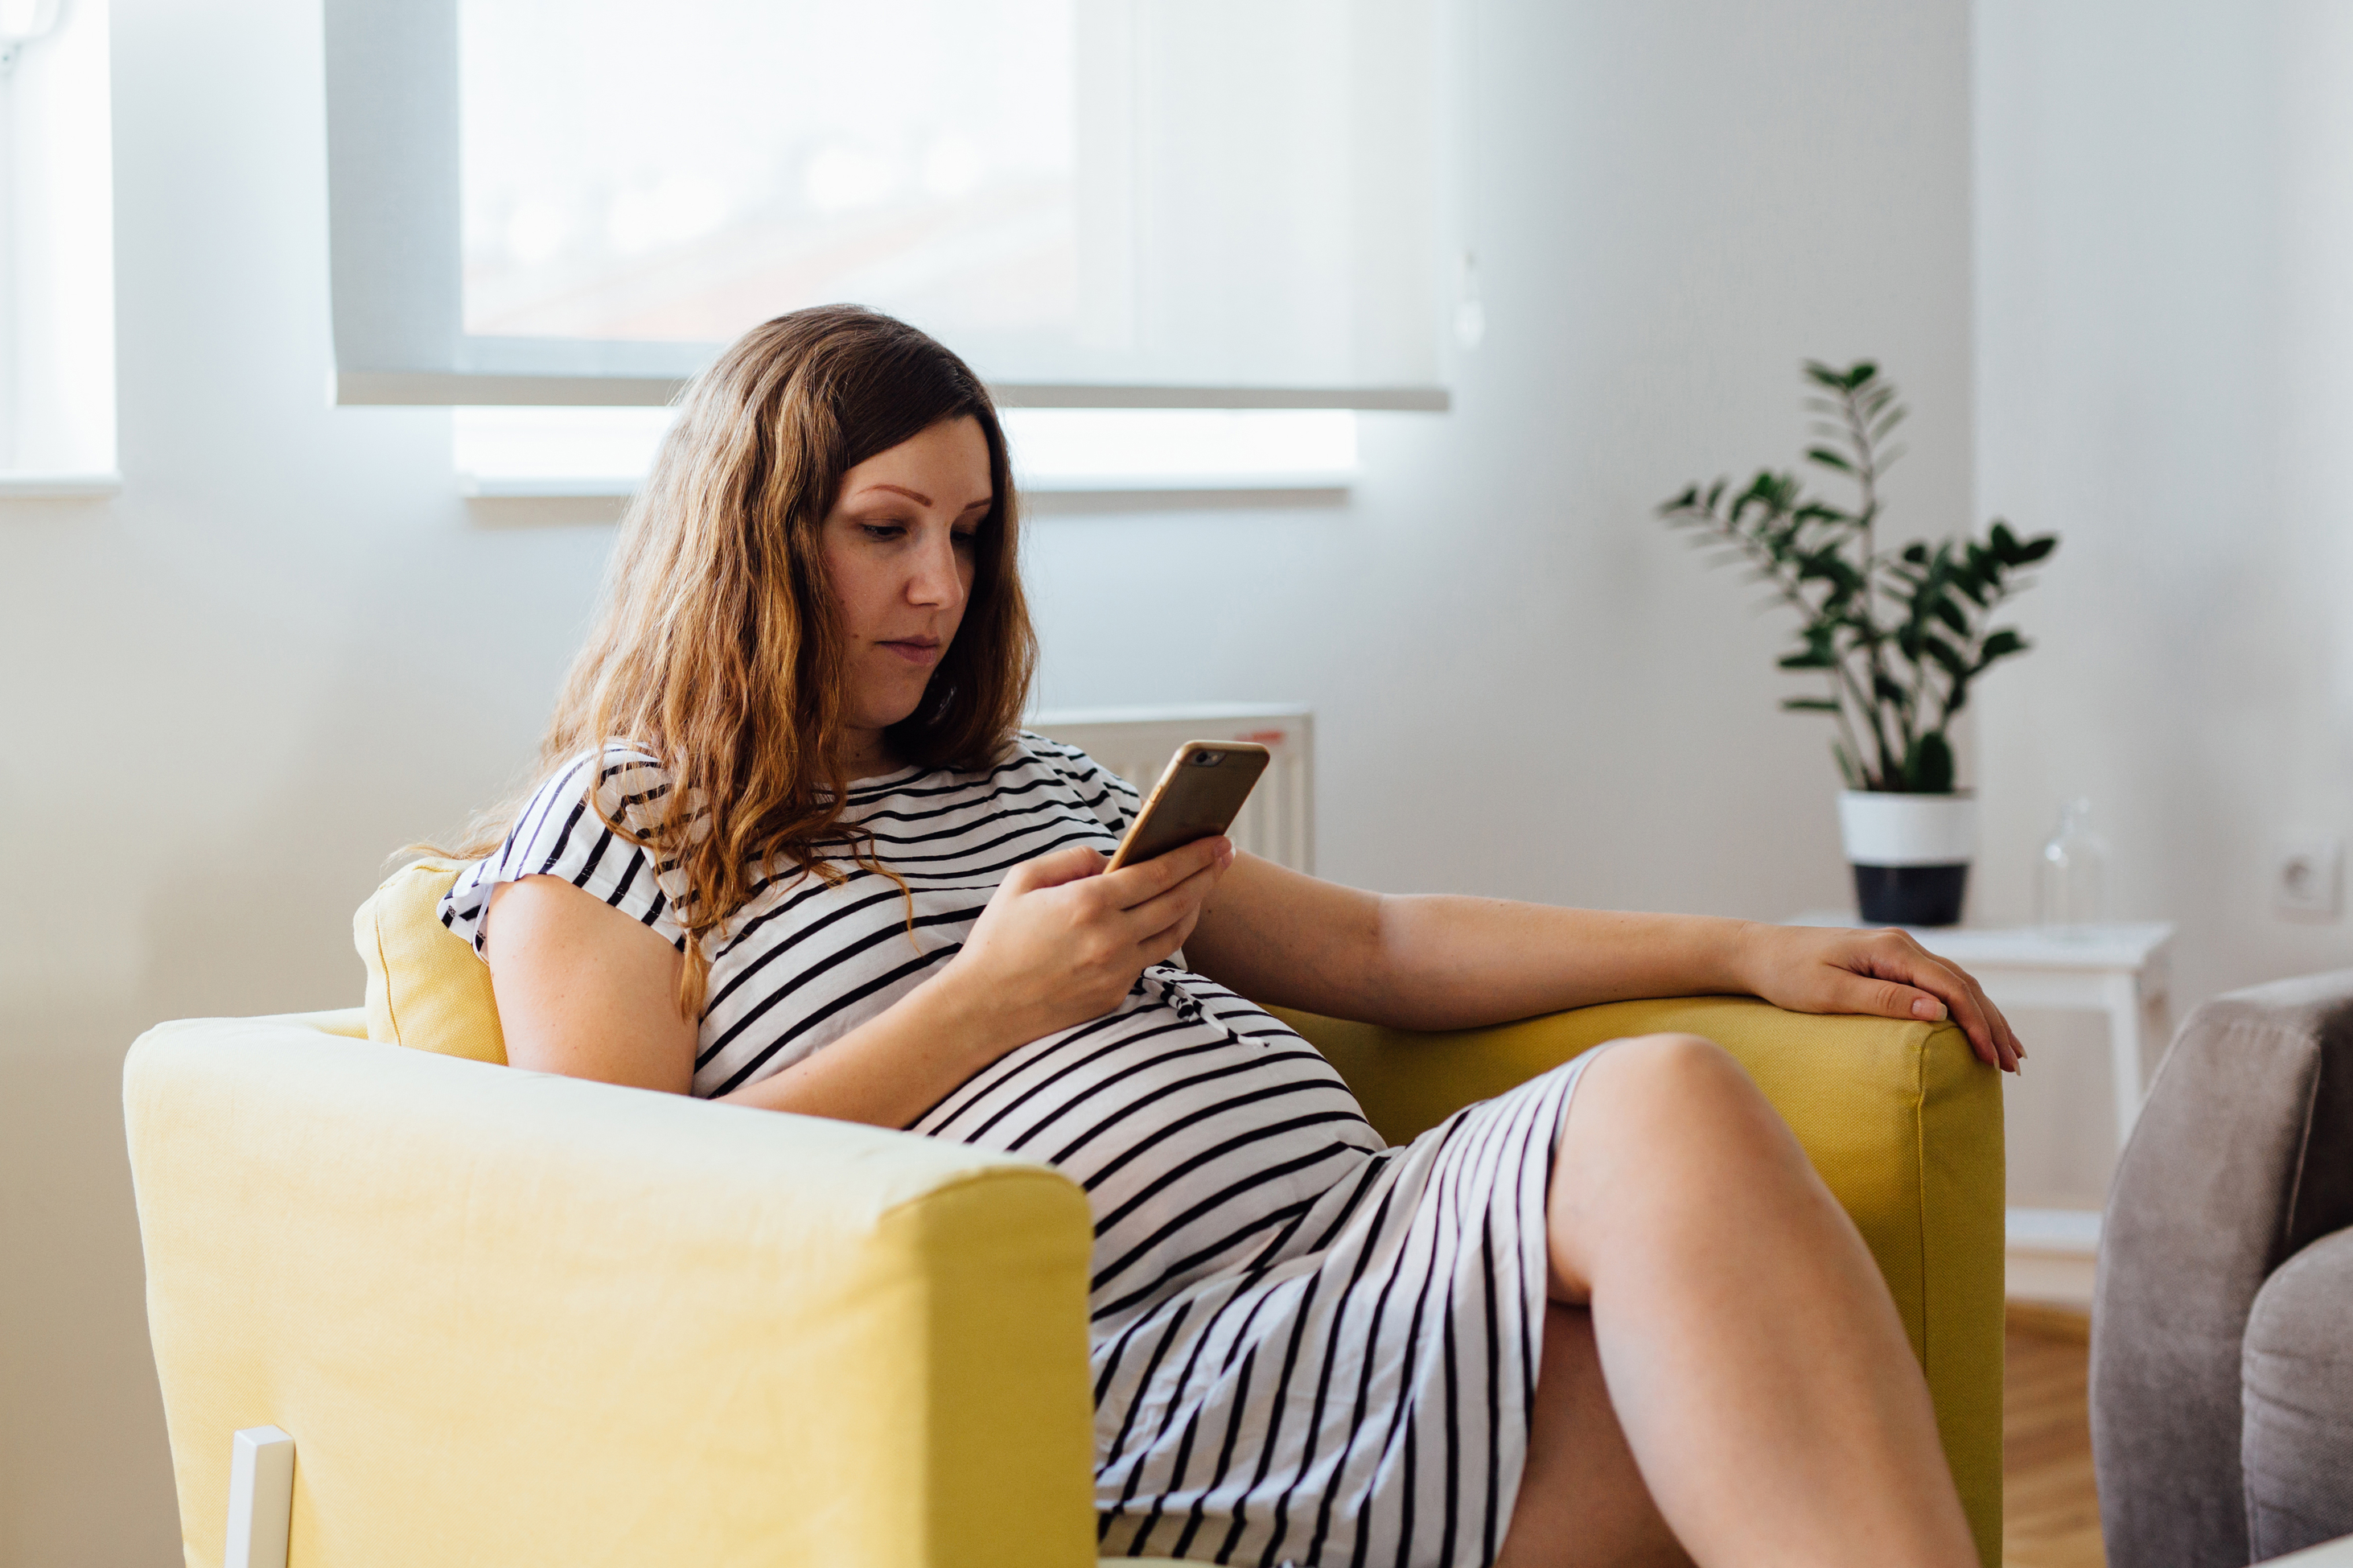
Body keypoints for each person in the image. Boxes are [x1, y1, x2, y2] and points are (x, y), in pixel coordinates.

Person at [438, 305, 2022, 1568]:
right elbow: (616, 1210)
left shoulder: (1027, 777)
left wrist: (1740, 947)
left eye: (972, 534)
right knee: (1706, 1343)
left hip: (1364, 1250)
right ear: (751, 534)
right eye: (885, 529)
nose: (939, 585)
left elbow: (1383, 950)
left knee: (1682, 1148)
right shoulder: (621, 821)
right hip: (1150, 1370)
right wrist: (985, 1005)